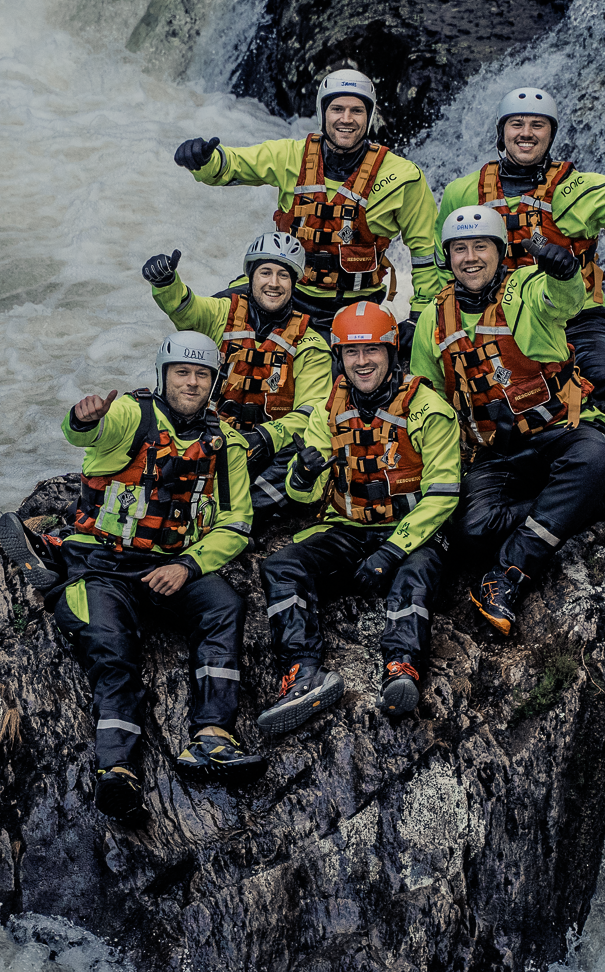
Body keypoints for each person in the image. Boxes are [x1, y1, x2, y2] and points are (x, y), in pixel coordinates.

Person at [6, 332, 262, 821]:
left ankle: (212, 737)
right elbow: (86, 433)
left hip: (168, 565)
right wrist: (85, 418)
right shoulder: (129, 415)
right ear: (162, 375)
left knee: (224, 605)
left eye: (201, 374)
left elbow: (236, 524)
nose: (191, 382)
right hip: (103, 565)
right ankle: (118, 769)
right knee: (111, 645)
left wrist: (187, 566)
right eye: (181, 372)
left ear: (214, 382)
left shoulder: (224, 441)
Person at [434, 87, 605, 527]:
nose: (526, 133)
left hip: (577, 317)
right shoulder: (463, 193)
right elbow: (438, 265)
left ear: (551, 134)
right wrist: (430, 317)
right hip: (502, 325)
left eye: (537, 125)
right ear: (501, 133)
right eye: (516, 124)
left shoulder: (581, 188)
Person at [412, 206, 605, 636]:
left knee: (598, 457)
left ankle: (506, 576)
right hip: (496, 453)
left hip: (558, 432)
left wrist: (563, 273)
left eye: (480, 247)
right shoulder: (433, 320)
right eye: (460, 249)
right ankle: (596, 499)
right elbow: (427, 403)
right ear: (447, 258)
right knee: (470, 530)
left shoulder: (525, 285)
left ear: (499, 252)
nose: (470, 258)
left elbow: (564, 300)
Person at [255, 301, 460, 733]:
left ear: (391, 352)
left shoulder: (429, 409)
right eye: (351, 352)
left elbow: (443, 495)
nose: (362, 362)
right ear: (340, 357)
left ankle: (401, 668)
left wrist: (392, 549)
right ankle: (302, 671)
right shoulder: (328, 409)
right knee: (282, 565)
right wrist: (304, 472)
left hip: (413, 534)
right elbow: (301, 495)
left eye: (372, 351)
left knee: (415, 574)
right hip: (347, 528)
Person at [172, 69, 443, 334]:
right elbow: (231, 165)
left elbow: (426, 252)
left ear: (369, 116)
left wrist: (419, 316)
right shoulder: (291, 155)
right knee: (207, 328)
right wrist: (203, 160)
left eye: (357, 111)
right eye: (337, 109)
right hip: (282, 292)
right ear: (322, 113)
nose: (346, 119)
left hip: (352, 305)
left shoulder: (403, 177)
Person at [141, 232, 334, 517]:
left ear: (294, 282)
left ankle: (238, 516)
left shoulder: (312, 344)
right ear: (251, 276)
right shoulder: (223, 312)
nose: (273, 283)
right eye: (265, 272)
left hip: (267, 448)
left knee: (299, 458)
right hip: (213, 432)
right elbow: (186, 309)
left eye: (283, 275)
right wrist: (166, 283)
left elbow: (310, 413)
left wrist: (263, 437)